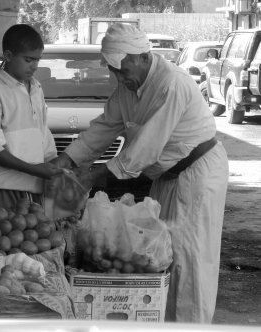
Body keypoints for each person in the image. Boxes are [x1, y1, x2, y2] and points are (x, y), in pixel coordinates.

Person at [53, 23, 229, 323]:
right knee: (160, 254)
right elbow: (104, 127)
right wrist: (68, 160)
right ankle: (166, 324)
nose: (119, 78)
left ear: (143, 56)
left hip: (198, 174)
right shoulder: (126, 88)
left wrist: (94, 176)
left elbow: (145, 149)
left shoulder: (171, 83)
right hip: (167, 176)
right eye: (115, 72)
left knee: (191, 261)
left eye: (122, 70)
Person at [0, 24, 62, 212]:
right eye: (28, 60)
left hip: (32, 189)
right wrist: (35, 169)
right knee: (0, 239)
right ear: (9, 56)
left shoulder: (36, 89)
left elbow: (42, 134)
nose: (35, 66)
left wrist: (55, 165)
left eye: (37, 60)